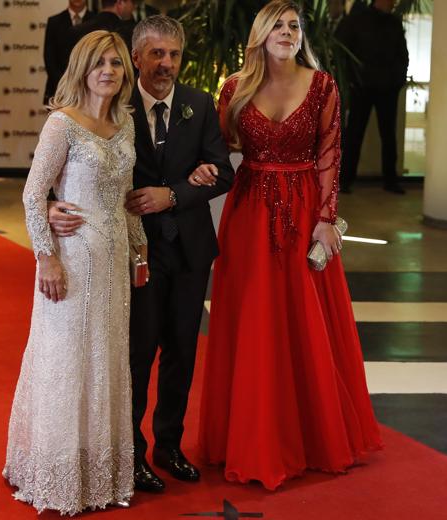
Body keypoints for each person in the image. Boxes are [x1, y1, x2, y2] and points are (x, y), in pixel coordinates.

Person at [193, 0, 383, 491]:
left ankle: (312, 436)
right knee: (255, 322)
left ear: (302, 35)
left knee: (304, 322)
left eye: (293, 25)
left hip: (304, 213)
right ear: (260, 34)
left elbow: (330, 153)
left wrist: (325, 220)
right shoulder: (234, 88)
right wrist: (198, 171)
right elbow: (220, 147)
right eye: (276, 25)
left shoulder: (322, 86)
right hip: (249, 214)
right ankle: (252, 436)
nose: (286, 32)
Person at [49, 15, 234, 493]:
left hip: (191, 251)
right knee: (136, 354)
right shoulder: (114, 105)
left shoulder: (199, 104)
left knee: (182, 353)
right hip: (132, 253)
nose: (166, 63)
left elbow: (222, 171)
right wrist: (52, 206)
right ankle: (129, 452)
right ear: (136, 58)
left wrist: (172, 195)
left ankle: (169, 445)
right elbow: (65, 167)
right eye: (156, 53)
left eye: (173, 54)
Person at [3, 30, 147, 515]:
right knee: (66, 362)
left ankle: (98, 471)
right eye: (99, 62)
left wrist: (140, 253)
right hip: (69, 262)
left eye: (117, 62)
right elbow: (31, 194)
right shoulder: (61, 124)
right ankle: (54, 471)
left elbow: (127, 200)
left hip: (112, 267)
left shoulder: (126, 124)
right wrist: (45, 255)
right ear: (82, 68)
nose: (109, 70)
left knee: (105, 362)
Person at [337, 0, 409, 194]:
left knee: (388, 135)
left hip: (387, 87)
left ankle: (390, 180)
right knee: (355, 134)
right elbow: (342, 50)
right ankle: (345, 180)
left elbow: (403, 54)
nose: (393, 3)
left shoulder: (393, 22)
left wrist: (398, 79)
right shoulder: (358, 20)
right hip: (362, 87)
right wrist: (351, 80)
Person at [43, 0, 94, 104]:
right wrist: (65, 84)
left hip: (90, 90)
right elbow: (49, 58)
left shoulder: (96, 20)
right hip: (59, 89)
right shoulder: (54, 21)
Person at [67, 0, 136, 58]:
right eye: (132, 2)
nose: (133, 7)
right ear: (120, 3)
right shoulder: (130, 32)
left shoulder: (77, 30)